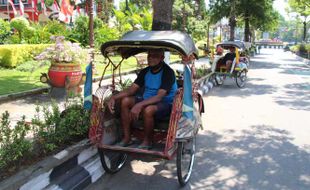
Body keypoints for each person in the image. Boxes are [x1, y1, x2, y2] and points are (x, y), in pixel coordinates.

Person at [107, 49, 177, 149]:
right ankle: (127, 138)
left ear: (162, 58)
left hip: (165, 103)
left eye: (155, 56)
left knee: (148, 110)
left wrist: (139, 105)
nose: (151, 58)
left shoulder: (168, 72)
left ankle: (148, 141)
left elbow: (159, 96)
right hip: (147, 99)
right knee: (125, 101)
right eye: (149, 56)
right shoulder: (145, 72)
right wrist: (113, 97)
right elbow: (131, 90)